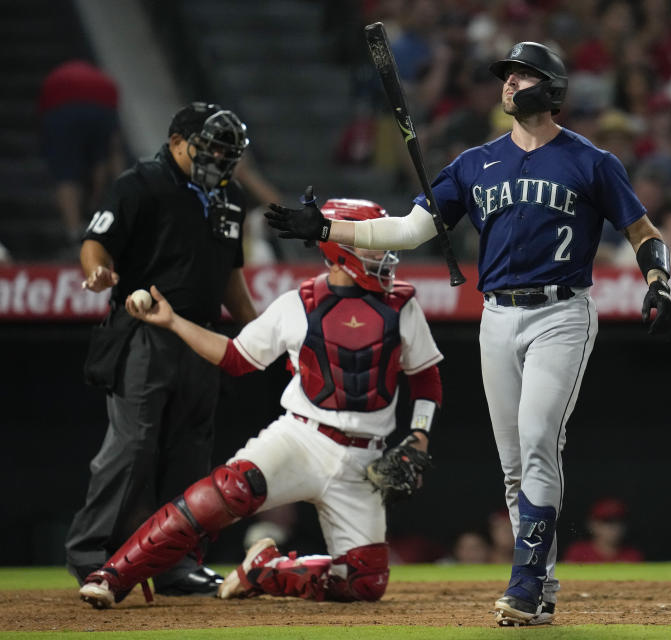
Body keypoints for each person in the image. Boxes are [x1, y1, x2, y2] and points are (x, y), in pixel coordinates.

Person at [265, 41, 671, 627]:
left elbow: (641, 229)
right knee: (513, 465)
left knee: (537, 441)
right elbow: (409, 231)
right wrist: (329, 228)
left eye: (521, 74)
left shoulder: (591, 161)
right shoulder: (475, 163)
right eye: (505, 76)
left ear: (550, 87)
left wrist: (658, 280)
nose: (509, 83)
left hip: (561, 313)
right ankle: (542, 587)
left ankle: (526, 581)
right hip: (497, 315)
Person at [78, 197, 444, 609]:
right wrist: (173, 321)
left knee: (364, 584)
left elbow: (426, 378)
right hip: (302, 437)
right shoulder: (297, 303)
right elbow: (236, 358)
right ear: (338, 249)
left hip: (364, 460)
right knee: (228, 490)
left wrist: (420, 434)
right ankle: (112, 575)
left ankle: (265, 571)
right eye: (370, 242)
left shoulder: (403, 304)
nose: (383, 252)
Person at [66, 102, 258, 596]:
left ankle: (175, 564)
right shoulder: (140, 183)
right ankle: (92, 554)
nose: (219, 157)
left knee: (191, 455)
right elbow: (96, 240)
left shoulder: (229, 197)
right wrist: (97, 270)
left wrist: (259, 331)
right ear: (177, 141)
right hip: (145, 331)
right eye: (211, 147)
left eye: (226, 151)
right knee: (133, 445)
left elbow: (231, 279)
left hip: (203, 336)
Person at [37, 59, 125, 247]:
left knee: (65, 173)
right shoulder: (102, 80)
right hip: (102, 105)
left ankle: (74, 230)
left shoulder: (57, 81)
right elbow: (113, 145)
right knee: (101, 159)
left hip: (60, 107)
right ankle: (97, 202)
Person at [563, 497, 644, 563]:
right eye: (606, 521)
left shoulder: (633, 555)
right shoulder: (577, 553)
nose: (613, 527)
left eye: (618, 521)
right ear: (592, 524)